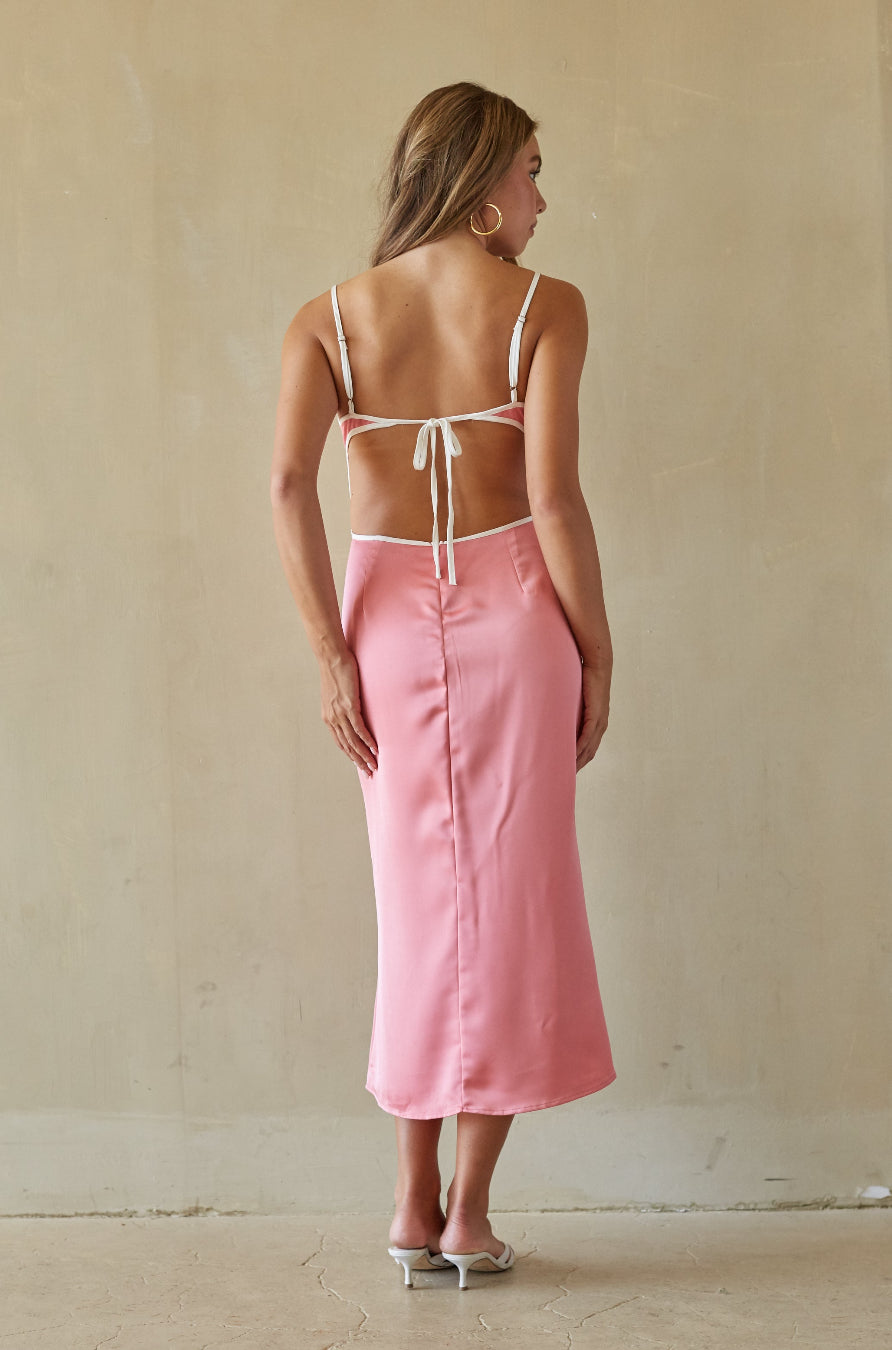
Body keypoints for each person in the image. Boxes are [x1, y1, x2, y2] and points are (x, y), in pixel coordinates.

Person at [270, 81, 616, 1290]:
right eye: (528, 171)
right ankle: (467, 1214)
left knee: (419, 913)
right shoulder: (545, 307)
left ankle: (413, 1201)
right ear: (477, 194)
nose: (538, 197)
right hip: (518, 613)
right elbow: (556, 502)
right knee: (512, 906)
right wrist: (600, 651)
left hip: (384, 629)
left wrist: (328, 654)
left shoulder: (330, 316)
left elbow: (284, 488)